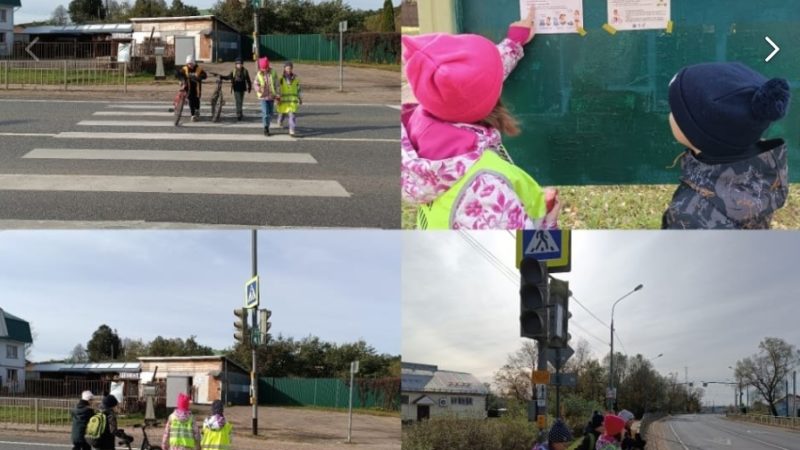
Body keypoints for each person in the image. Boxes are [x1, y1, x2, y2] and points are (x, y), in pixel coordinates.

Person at [401, 7, 560, 230]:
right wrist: (547, 220)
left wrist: (513, 43)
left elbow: (471, 84)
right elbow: (521, 255)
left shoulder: (426, 127)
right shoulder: (486, 190)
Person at [662, 62, 790, 229]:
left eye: (676, 111)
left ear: (699, 135)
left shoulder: (689, 217)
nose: (670, 115)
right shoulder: (759, 177)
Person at [176, 55, 208, 122]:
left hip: (197, 88)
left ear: (194, 63)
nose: (190, 65)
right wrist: (181, 80)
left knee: (196, 100)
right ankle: (193, 115)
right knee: (191, 100)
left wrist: (199, 77)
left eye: (191, 63)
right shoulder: (185, 68)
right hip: (188, 87)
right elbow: (178, 74)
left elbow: (205, 76)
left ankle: (197, 110)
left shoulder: (198, 69)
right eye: (188, 64)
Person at [276, 61, 303, 137]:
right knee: (282, 114)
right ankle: (280, 121)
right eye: (287, 68)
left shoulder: (295, 78)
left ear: (292, 69)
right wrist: (278, 97)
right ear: (284, 69)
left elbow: (299, 89)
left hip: (292, 101)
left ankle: (292, 129)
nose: (289, 69)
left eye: (290, 68)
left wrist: (300, 98)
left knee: (292, 115)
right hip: (283, 101)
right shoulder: (281, 79)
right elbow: (278, 89)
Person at [255, 56, 278, 137]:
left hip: (271, 96)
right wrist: (258, 89)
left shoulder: (273, 72)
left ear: (268, 66)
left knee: (271, 113)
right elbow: (255, 83)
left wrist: (278, 94)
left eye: (265, 68)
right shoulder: (259, 74)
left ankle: (267, 124)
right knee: (265, 113)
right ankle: (266, 128)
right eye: (262, 68)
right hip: (263, 96)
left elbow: (277, 84)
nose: (264, 69)